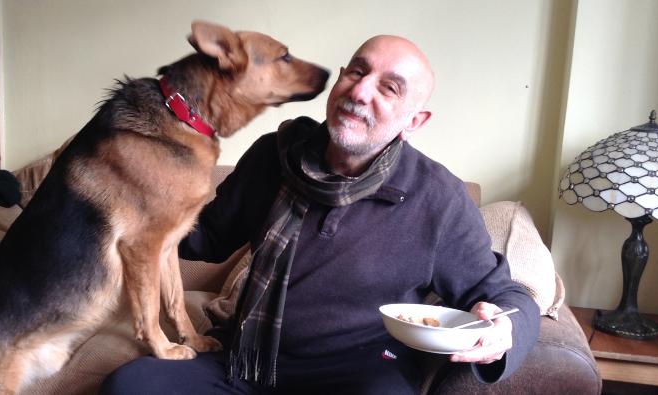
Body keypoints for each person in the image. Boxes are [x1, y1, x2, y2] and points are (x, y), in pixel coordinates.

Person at [100, 35, 540, 395]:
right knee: (130, 386)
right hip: (247, 361)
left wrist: (503, 330)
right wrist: (139, 183)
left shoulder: (438, 199)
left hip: (359, 373)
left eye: (389, 87)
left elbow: (505, 296)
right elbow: (203, 238)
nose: (361, 90)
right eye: (357, 70)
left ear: (414, 120)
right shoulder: (273, 154)